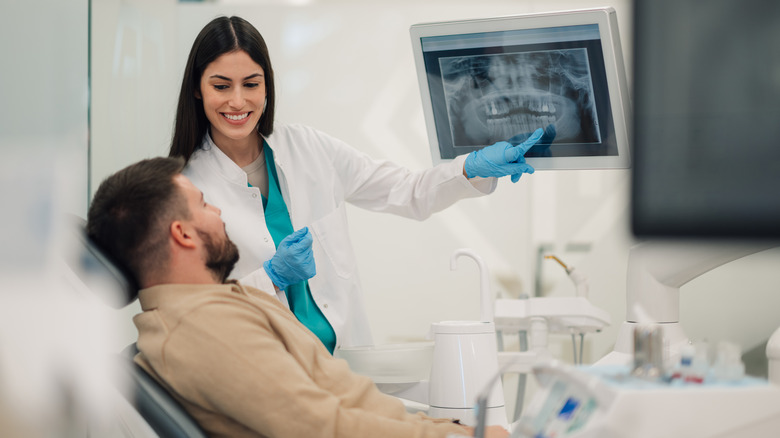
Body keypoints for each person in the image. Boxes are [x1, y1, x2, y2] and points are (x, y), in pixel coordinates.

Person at [169, 16, 551, 353]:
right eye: (221, 86)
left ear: (267, 88)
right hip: (269, 377)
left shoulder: (308, 147)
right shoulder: (186, 189)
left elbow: (407, 191)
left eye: (251, 84)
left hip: (346, 366)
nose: (238, 101)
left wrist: (472, 168)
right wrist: (268, 279)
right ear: (198, 89)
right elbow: (194, 315)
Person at [86, 157, 509, 438]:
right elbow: (323, 427)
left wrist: (452, 429)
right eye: (203, 205)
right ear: (181, 233)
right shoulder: (200, 328)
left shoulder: (211, 307)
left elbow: (338, 403)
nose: (217, 212)